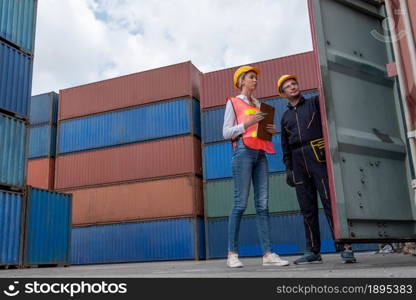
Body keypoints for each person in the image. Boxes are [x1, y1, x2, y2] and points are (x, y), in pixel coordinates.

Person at [278, 74, 357, 264]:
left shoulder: (314, 103)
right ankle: (313, 250)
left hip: (317, 155)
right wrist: (288, 168)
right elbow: (285, 145)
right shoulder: (285, 116)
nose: (292, 87)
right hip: (297, 161)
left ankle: (345, 247)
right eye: (288, 86)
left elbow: (331, 98)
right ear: (283, 94)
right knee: (307, 208)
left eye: (294, 83)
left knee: (330, 202)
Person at [222, 66, 290, 268]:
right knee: (240, 204)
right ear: (241, 81)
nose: (255, 81)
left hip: (261, 153)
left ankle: (268, 254)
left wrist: (271, 130)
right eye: (251, 77)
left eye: (255, 78)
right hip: (243, 152)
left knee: (263, 205)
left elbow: (260, 130)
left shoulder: (260, 104)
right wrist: (248, 123)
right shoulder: (233, 102)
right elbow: (226, 133)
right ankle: (232, 254)